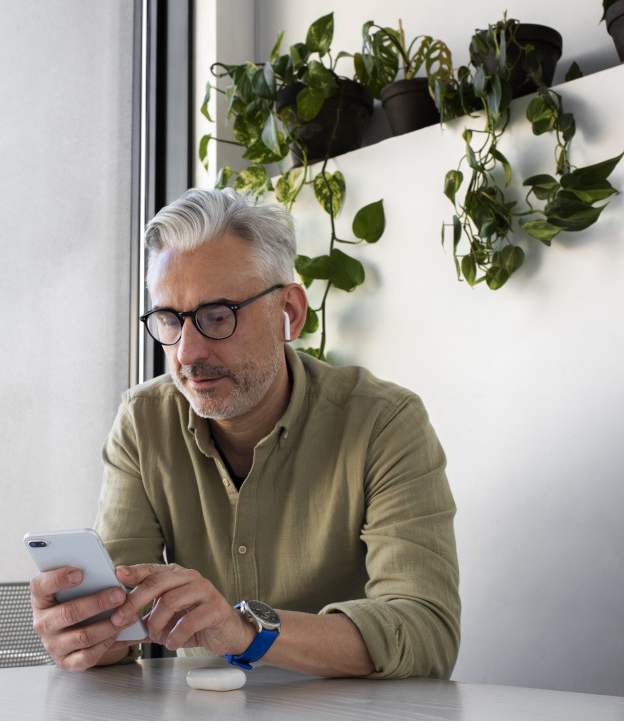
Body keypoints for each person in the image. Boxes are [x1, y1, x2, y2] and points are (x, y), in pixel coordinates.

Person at [30, 188, 460, 679]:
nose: (187, 353)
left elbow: (427, 633)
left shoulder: (383, 421)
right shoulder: (143, 421)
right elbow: (123, 624)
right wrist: (84, 632)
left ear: (289, 314)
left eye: (217, 316)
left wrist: (247, 632)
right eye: (170, 320)